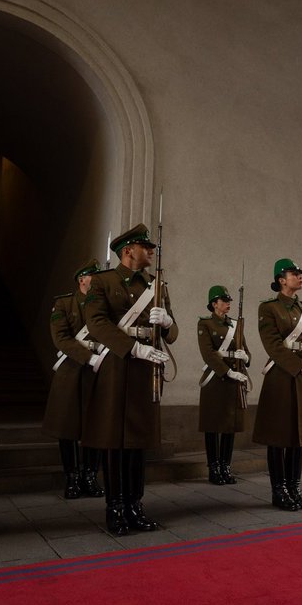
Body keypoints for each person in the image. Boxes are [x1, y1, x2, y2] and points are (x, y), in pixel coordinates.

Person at [82, 223, 177, 536]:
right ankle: (116, 508)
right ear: (127, 251)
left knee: (137, 443)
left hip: (146, 372)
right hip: (117, 367)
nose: (151, 251)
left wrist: (167, 321)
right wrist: (133, 347)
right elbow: (96, 323)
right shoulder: (103, 282)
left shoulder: (157, 284)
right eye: (145, 247)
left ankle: (136, 506)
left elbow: (173, 334)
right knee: (114, 441)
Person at [251, 258, 302, 511]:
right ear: (281, 280)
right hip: (282, 377)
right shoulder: (269, 309)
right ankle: (279, 490)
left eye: (300, 273)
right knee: (279, 437)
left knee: (299, 436)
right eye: (293, 273)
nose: (299, 276)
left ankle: (295, 488)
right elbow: (273, 346)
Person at [42, 259, 106, 500]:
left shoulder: (102, 305)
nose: (97, 281)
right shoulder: (63, 303)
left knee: (95, 426)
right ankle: (72, 477)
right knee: (67, 428)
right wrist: (87, 357)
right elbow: (61, 338)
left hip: (96, 373)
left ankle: (90, 476)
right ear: (82, 279)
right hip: (70, 370)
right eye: (93, 277)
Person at [196, 285, 251, 485]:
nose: (228, 304)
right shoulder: (205, 324)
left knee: (230, 426)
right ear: (214, 304)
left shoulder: (236, 325)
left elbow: (246, 350)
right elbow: (208, 353)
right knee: (213, 426)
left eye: (229, 301)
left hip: (235, 380)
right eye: (224, 301)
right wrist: (228, 371)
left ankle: (226, 467)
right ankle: (214, 468)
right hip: (216, 378)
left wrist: (245, 357)